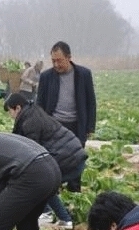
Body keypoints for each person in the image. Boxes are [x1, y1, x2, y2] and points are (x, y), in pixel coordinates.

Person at [4, 93, 87, 229]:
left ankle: (61, 218)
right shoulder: (33, 113)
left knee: (43, 183)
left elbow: (32, 152)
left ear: (17, 108)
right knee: (45, 183)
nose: (10, 115)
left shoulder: (30, 122)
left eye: (10, 111)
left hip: (71, 160)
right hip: (72, 157)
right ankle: (51, 213)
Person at [36, 41, 96, 192]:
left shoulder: (83, 74)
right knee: (52, 161)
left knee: (76, 160)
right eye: (53, 61)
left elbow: (91, 102)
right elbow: (40, 104)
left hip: (77, 125)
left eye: (59, 60)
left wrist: (90, 126)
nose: (56, 64)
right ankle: (53, 192)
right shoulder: (46, 77)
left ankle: (74, 194)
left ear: (69, 57)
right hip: (54, 125)